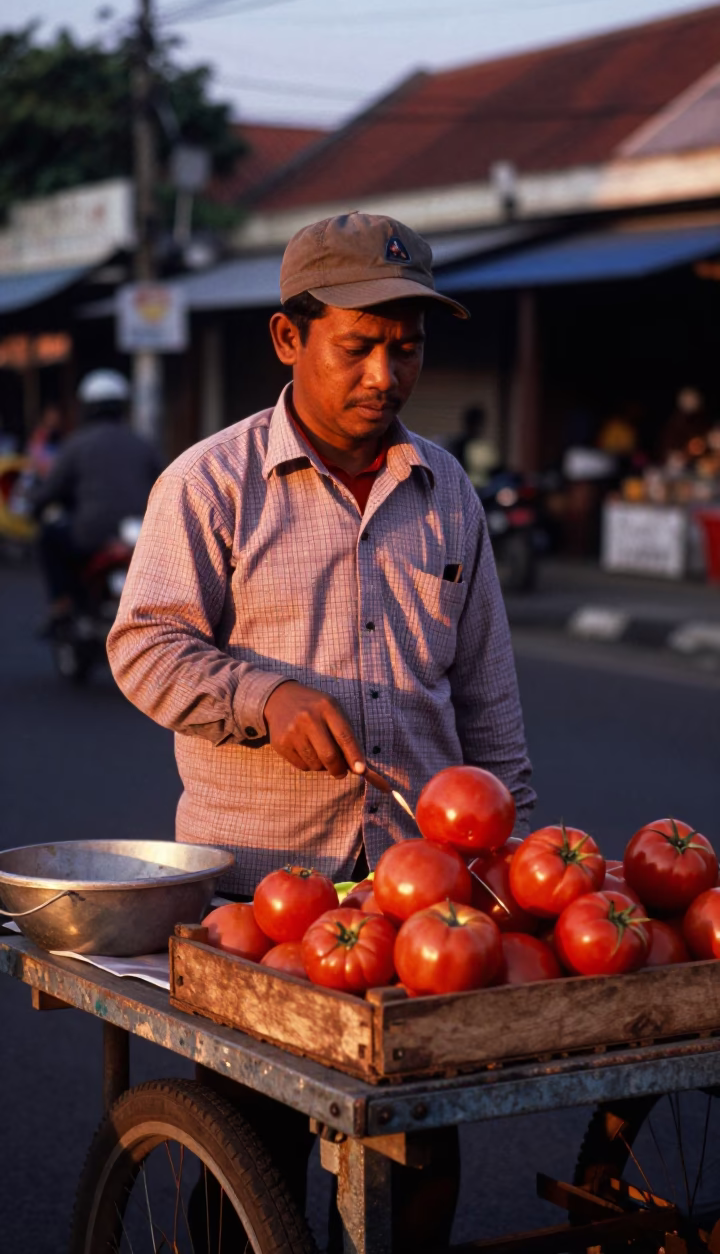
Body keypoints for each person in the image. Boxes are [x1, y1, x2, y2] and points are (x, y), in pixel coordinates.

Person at [107, 212, 535, 1248]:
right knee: (252, 1158)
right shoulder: (208, 483)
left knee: (422, 1159)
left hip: (423, 893)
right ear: (288, 339)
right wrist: (265, 698)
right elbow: (143, 646)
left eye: (408, 345)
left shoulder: (447, 491)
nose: (387, 373)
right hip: (264, 893)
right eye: (361, 344)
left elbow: (486, 690)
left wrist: (513, 843)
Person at [33, 369, 161, 629]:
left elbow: (51, 490)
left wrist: (35, 506)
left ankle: (62, 603)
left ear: (87, 407)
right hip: (140, 535)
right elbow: (166, 483)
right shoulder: (142, 443)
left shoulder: (76, 445)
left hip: (89, 536)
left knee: (48, 536)